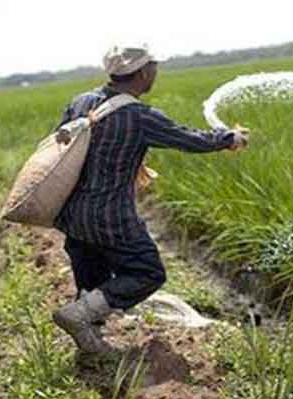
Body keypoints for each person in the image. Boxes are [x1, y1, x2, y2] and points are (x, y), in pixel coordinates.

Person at [52, 44, 250, 354]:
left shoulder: (82, 102)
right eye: (154, 66)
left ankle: (89, 342)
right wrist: (229, 138)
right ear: (143, 72)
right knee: (147, 272)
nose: (156, 72)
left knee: (92, 277)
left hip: (73, 214)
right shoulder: (138, 115)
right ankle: (79, 316)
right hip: (110, 217)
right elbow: (187, 139)